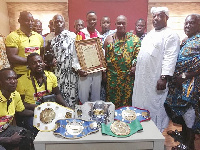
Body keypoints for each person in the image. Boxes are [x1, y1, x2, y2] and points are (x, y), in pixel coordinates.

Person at [132, 7, 180, 132]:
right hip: (142, 79)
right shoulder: (150, 34)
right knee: (139, 104)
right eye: (154, 16)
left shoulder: (171, 35)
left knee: (154, 106)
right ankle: (141, 130)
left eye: (160, 16)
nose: (156, 18)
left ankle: (155, 135)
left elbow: (170, 56)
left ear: (166, 18)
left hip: (155, 79)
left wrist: (164, 77)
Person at [165, 14, 200, 150]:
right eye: (186, 23)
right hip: (180, 84)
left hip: (192, 84)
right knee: (184, 114)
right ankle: (184, 141)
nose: (187, 26)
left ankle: (189, 145)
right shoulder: (186, 39)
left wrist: (186, 74)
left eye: (191, 23)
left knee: (190, 114)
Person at [16, 53, 68, 136]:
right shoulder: (21, 81)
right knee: (39, 128)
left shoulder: (51, 76)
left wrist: (67, 107)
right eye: (33, 63)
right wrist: (38, 108)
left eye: (40, 62)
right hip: (32, 112)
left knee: (62, 123)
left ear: (44, 63)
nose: (38, 65)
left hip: (49, 109)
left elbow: (57, 94)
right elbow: (20, 104)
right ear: (28, 66)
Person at [104, 15, 140, 108]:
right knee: (111, 104)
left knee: (126, 105)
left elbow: (139, 56)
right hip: (112, 78)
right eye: (118, 23)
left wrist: (135, 66)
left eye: (123, 23)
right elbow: (104, 58)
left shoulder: (134, 39)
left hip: (127, 78)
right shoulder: (108, 39)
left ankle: (125, 122)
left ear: (126, 24)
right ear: (115, 24)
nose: (120, 25)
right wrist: (104, 74)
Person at [0, 68, 34, 150]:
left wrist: (40, 112)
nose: (13, 81)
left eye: (15, 78)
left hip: (4, 129)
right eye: (8, 79)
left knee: (27, 135)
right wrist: (8, 140)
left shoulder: (15, 95)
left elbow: (21, 111)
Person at [73, 11, 102, 104]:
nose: (92, 21)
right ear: (86, 20)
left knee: (96, 98)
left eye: (94, 19)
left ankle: (95, 117)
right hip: (84, 71)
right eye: (90, 19)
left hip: (97, 71)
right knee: (83, 97)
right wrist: (78, 69)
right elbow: (75, 54)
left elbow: (102, 54)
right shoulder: (80, 35)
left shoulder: (99, 36)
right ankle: (82, 117)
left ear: (97, 20)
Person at [50, 14, 78, 108]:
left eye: (60, 21)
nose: (58, 24)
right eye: (56, 22)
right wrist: (51, 61)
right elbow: (49, 56)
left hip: (71, 72)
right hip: (58, 72)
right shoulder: (51, 39)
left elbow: (77, 53)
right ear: (53, 24)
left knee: (72, 95)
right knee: (59, 95)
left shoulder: (72, 36)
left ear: (64, 23)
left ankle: (72, 116)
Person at [5, 11, 44, 78]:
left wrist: (38, 64)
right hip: (21, 74)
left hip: (37, 73)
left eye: (32, 21)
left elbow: (42, 54)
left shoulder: (38, 37)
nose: (30, 23)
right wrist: (32, 62)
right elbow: (12, 57)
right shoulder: (13, 36)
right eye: (27, 21)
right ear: (19, 21)